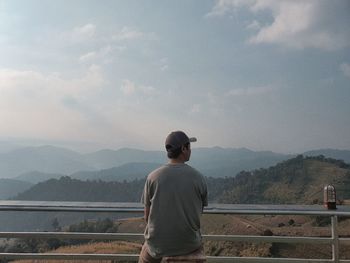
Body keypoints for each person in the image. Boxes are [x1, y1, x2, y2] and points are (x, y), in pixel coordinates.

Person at [139, 131, 208, 263]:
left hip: (157, 247)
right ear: (183, 149)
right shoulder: (198, 178)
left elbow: (147, 217)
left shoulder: (153, 177)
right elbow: (198, 214)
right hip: (189, 245)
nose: (190, 150)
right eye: (189, 146)